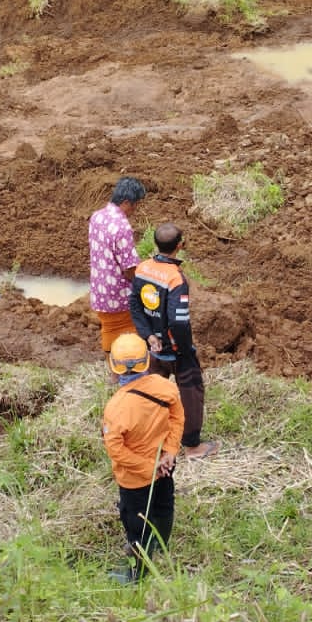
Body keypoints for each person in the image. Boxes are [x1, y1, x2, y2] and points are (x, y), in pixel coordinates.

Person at [130, 223, 218, 458]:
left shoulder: (142, 269)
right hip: (173, 348)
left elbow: (135, 307)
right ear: (180, 245)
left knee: (150, 392)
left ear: (156, 244)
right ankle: (192, 446)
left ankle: (148, 439)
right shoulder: (176, 279)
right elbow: (178, 321)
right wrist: (184, 349)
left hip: (153, 346)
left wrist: (148, 336)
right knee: (191, 390)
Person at [102, 333, 182, 584]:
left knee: (137, 524)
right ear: (147, 361)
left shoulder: (116, 408)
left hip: (135, 479)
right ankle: (161, 546)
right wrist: (169, 453)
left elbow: (117, 451)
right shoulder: (166, 386)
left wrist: (149, 467)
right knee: (163, 505)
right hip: (165, 466)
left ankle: (137, 575)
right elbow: (177, 418)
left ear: (114, 369)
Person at [88, 176, 146, 354]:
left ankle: (112, 369)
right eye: (135, 205)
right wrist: (143, 284)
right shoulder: (122, 227)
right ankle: (127, 366)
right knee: (131, 333)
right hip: (118, 294)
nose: (135, 210)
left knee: (109, 329)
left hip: (100, 288)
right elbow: (129, 269)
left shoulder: (97, 216)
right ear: (127, 202)